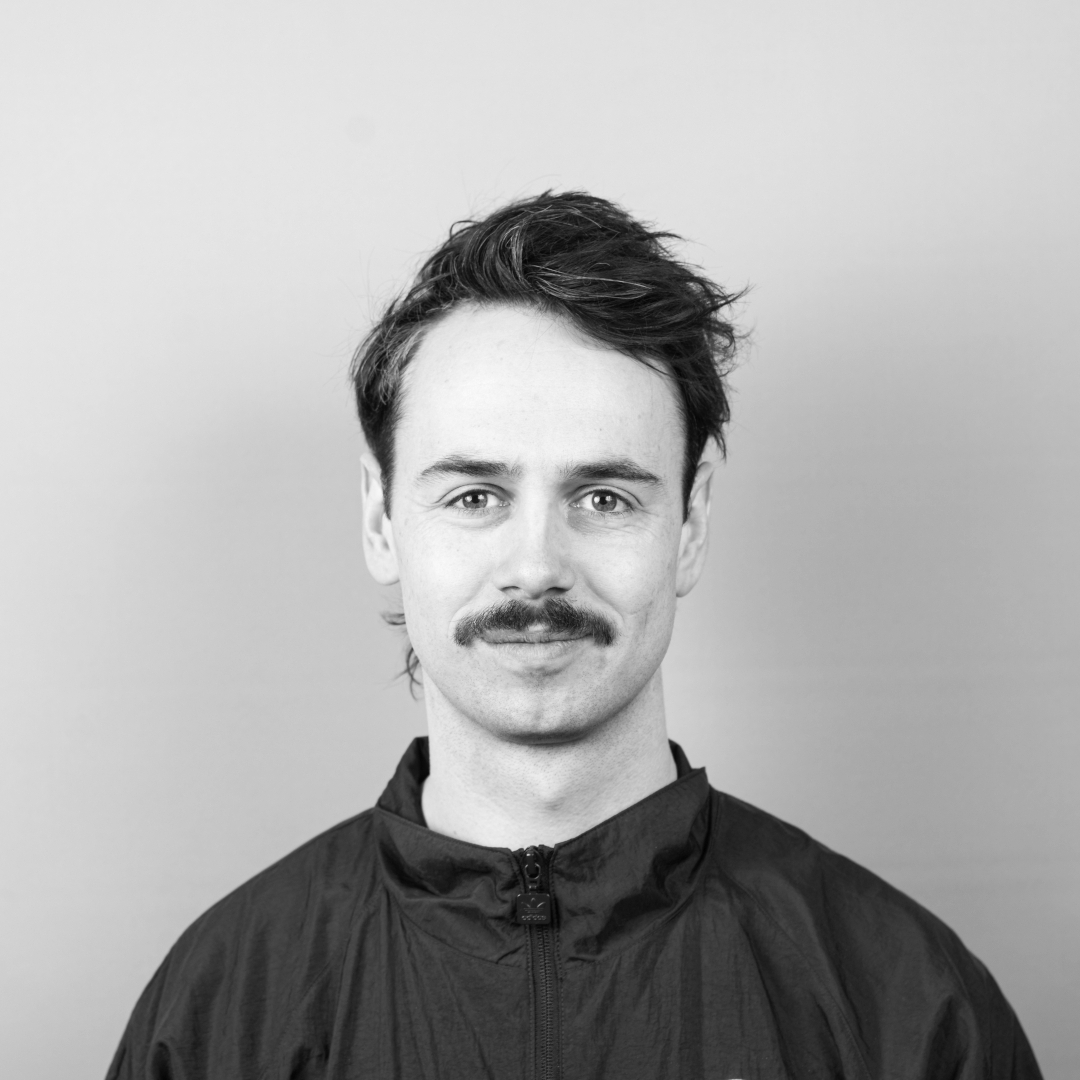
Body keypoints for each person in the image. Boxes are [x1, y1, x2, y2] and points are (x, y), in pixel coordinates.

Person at [107, 192, 1042, 1079]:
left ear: (690, 524)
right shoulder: (222, 1009)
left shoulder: (907, 1002)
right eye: (475, 496)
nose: (536, 566)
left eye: (603, 498)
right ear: (381, 519)